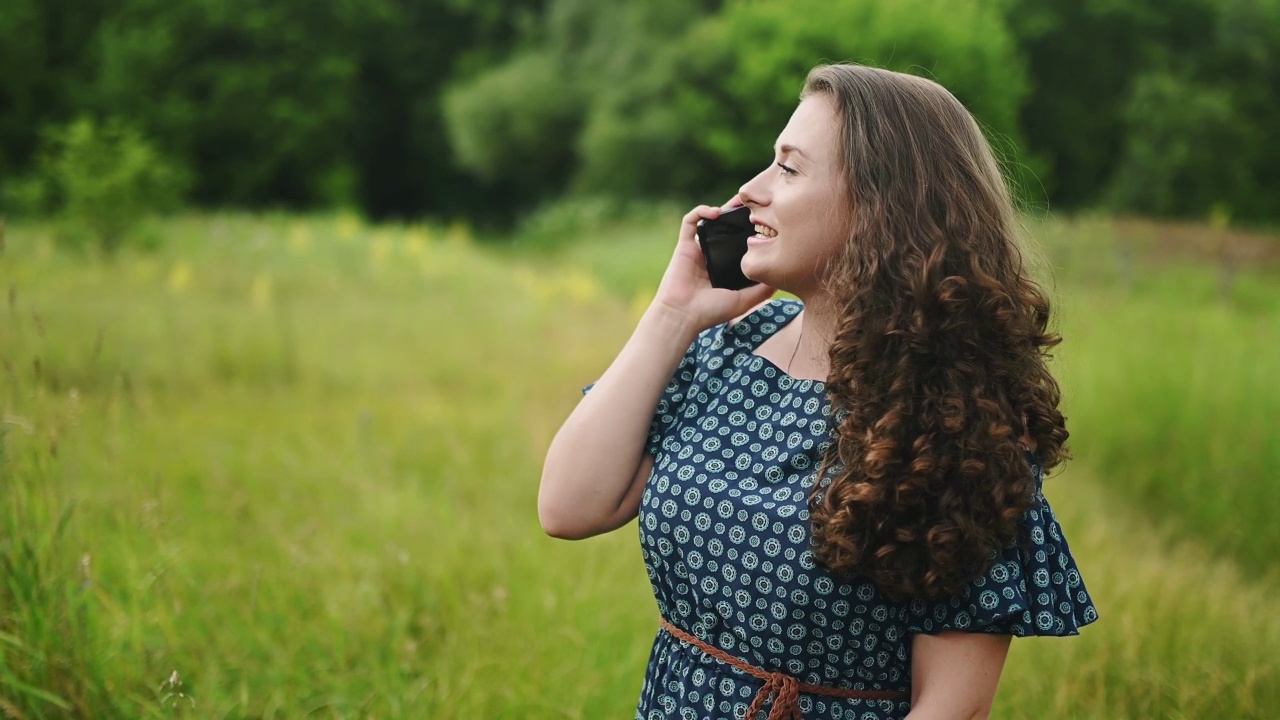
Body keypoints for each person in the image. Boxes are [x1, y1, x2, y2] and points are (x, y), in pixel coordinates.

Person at [539, 63, 1097, 720]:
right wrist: (674, 313)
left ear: (881, 205)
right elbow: (569, 507)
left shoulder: (956, 416)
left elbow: (953, 706)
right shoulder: (732, 349)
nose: (749, 192)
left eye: (789, 168)